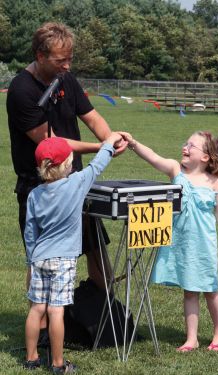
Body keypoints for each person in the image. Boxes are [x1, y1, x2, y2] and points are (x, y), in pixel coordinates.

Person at [6, 22, 127, 324]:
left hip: (75, 184)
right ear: (40, 55)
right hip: (40, 187)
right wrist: (102, 147)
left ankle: (104, 316)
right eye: (61, 59)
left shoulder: (66, 79)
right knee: (40, 258)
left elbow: (91, 115)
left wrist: (109, 137)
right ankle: (44, 330)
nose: (67, 65)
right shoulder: (21, 90)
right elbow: (52, 145)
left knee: (95, 247)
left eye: (70, 58)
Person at [121, 131, 218, 352]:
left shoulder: (214, 181)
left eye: (192, 145)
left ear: (206, 157)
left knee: (211, 290)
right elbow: (152, 156)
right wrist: (133, 143)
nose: (185, 147)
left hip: (204, 246)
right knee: (190, 290)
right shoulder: (175, 170)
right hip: (182, 244)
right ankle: (192, 339)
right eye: (186, 143)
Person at [24, 133, 122, 375]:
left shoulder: (34, 194)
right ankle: (58, 363)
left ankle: (31, 358)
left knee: (37, 308)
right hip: (63, 259)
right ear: (68, 164)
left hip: (39, 257)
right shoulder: (76, 183)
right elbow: (97, 164)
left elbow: (30, 232)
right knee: (56, 310)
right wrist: (110, 141)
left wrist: (30, 260)